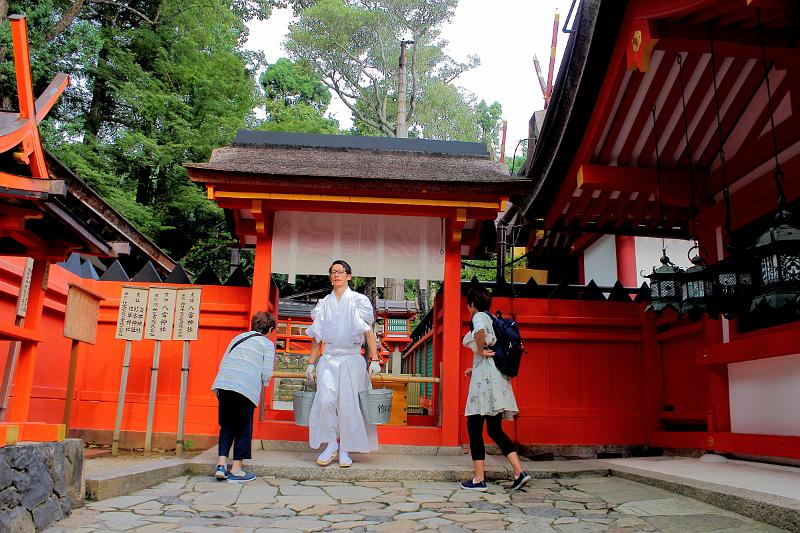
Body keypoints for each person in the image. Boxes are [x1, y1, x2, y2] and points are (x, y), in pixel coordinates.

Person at [305, 260, 382, 467]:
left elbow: (368, 331)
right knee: (326, 400)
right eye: (333, 272)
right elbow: (317, 336)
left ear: (349, 276)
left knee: (349, 404)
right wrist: (311, 363)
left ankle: (346, 448)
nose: (336, 275)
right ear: (330, 277)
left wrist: (375, 359)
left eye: (341, 271)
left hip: (352, 357)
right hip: (329, 357)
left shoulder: (359, 300)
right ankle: (331, 444)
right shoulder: (323, 304)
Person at [460, 285, 530, 492]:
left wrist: (480, 351)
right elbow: (492, 352)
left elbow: (480, 332)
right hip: (495, 378)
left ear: (472, 304)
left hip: (484, 385)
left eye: (468, 305)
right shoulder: (492, 318)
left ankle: (479, 479)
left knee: (474, 428)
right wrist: (475, 368)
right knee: (494, 430)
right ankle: (519, 472)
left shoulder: (479, 316)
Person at [211, 311, 276, 482]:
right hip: (245, 388)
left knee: (227, 426)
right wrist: (263, 384)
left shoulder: (237, 338)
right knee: (243, 428)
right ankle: (236, 469)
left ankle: (221, 465)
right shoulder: (267, 344)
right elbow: (266, 373)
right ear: (270, 329)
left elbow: (223, 362)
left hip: (224, 384)